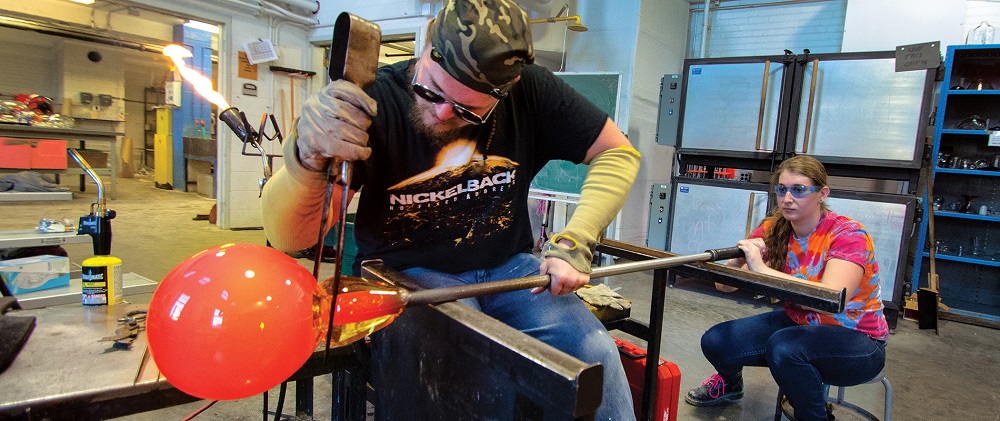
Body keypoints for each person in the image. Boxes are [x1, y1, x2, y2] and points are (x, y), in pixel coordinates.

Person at [260, 0, 640, 419]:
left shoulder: (530, 88)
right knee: (478, 377)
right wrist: (306, 161)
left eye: (466, 111)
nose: (442, 113)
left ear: (507, 88)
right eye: (431, 91)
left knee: (596, 356)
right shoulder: (373, 101)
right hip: (409, 274)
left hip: (510, 271)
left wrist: (574, 240)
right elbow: (291, 239)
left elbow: (618, 153)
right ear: (426, 44)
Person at [684, 155, 888, 421]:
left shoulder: (847, 235)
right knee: (716, 341)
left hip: (857, 341)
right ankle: (731, 383)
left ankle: (813, 416)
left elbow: (828, 300)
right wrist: (737, 261)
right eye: (782, 189)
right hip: (798, 323)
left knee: (785, 347)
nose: (787, 198)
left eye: (799, 190)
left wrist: (762, 269)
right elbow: (723, 286)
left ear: (821, 193)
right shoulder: (774, 228)